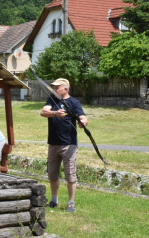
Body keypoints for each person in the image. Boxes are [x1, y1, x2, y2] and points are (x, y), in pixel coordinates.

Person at [40, 78, 88, 213]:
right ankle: (54, 200)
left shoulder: (74, 102)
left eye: (57, 88)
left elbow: (83, 117)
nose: (54, 90)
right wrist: (55, 113)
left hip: (69, 145)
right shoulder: (52, 99)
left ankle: (70, 203)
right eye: (54, 88)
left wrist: (83, 122)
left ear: (65, 89)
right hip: (53, 144)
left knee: (70, 174)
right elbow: (43, 112)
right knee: (52, 174)